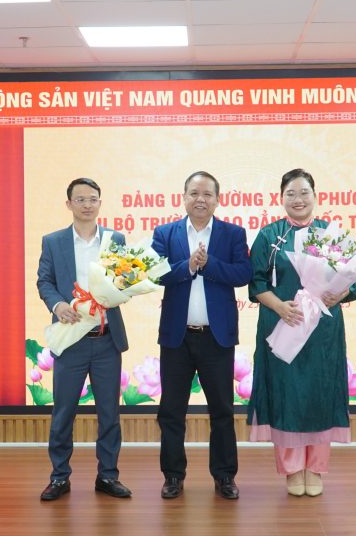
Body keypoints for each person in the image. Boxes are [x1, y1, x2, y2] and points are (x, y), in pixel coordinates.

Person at [247, 168, 356, 497]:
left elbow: (353, 282)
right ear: (281, 198)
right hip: (283, 325)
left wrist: (338, 292)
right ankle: (293, 470)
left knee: (320, 394)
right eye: (291, 194)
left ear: (315, 196)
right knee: (287, 396)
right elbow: (255, 283)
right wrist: (280, 306)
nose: (298, 199)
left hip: (323, 331)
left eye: (304, 193)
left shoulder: (330, 234)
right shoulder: (269, 236)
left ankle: (316, 468)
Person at [151, 171, 253, 500]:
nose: (201, 199)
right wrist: (188, 266)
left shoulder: (232, 233)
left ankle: (225, 476)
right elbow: (154, 274)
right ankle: (172, 476)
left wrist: (208, 265)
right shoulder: (165, 233)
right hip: (176, 337)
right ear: (183, 197)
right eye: (194, 193)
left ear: (217, 200)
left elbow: (244, 273)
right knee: (171, 412)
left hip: (216, 338)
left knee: (222, 411)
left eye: (207, 194)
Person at [36, 177, 132, 501]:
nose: (87, 205)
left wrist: (123, 288)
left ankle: (108, 476)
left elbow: (125, 281)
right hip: (71, 340)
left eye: (93, 199)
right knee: (64, 412)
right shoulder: (53, 241)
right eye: (80, 199)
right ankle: (59, 477)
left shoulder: (115, 239)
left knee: (109, 413)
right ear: (69, 204)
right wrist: (58, 304)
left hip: (106, 340)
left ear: (100, 203)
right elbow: (44, 281)